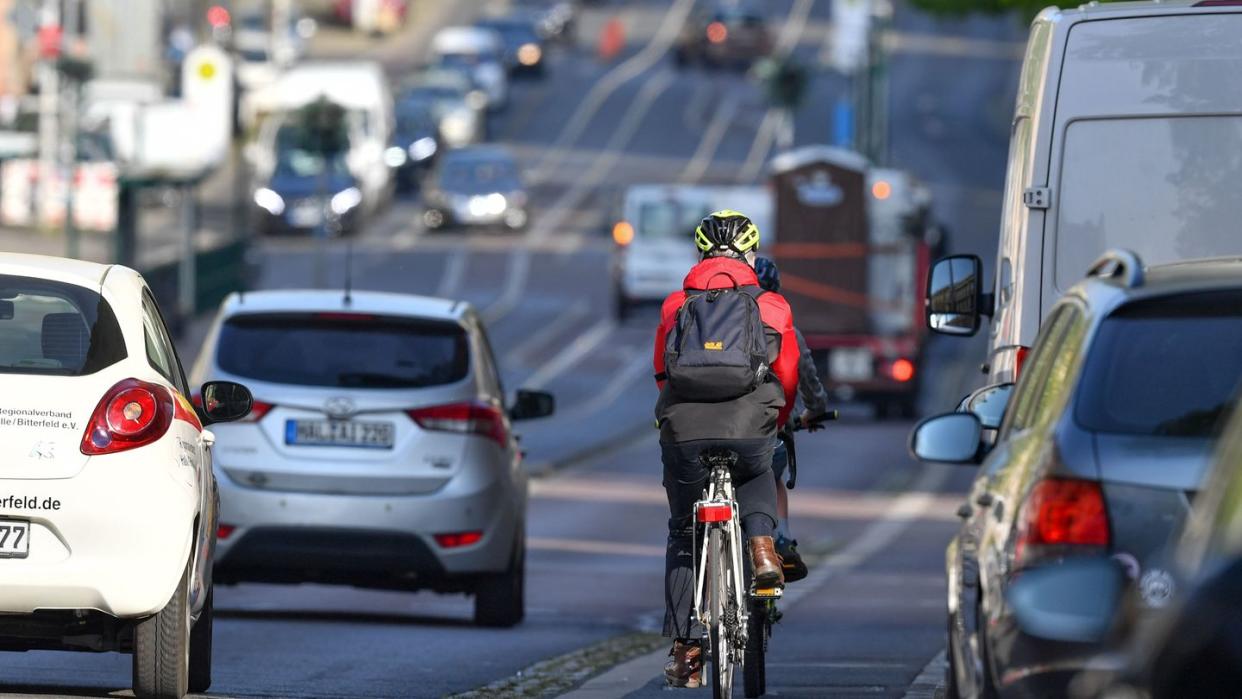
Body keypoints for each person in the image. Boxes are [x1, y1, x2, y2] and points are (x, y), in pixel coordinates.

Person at [653, 210, 801, 688]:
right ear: (751, 255)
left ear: (700, 254)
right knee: (757, 473)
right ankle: (761, 552)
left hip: (687, 429)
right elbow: (790, 376)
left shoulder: (676, 305)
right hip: (749, 423)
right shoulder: (773, 306)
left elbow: (661, 371)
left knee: (682, 532)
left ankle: (687, 649)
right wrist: (775, 420)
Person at [753, 256, 830, 583]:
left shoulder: (724, 328)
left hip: (717, 426)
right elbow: (808, 379)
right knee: (773, 479)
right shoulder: (787, 331)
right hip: (770, 432)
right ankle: (780, 541)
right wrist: (814, 409)